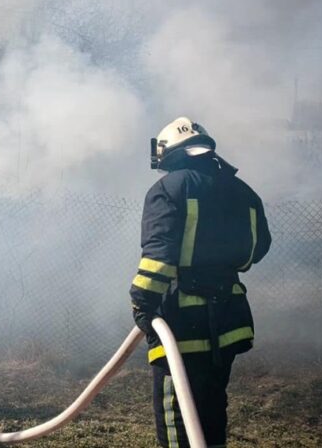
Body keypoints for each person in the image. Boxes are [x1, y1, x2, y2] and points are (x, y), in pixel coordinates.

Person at [130, 117, 271, 448]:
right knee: (210, 409)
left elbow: (158, 258)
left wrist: (142, 303)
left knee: (176, 413)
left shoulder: (168, 189)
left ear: (170, 154)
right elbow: (258, 249)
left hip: (180, 323)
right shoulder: (244, 192)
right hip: (228, 324)